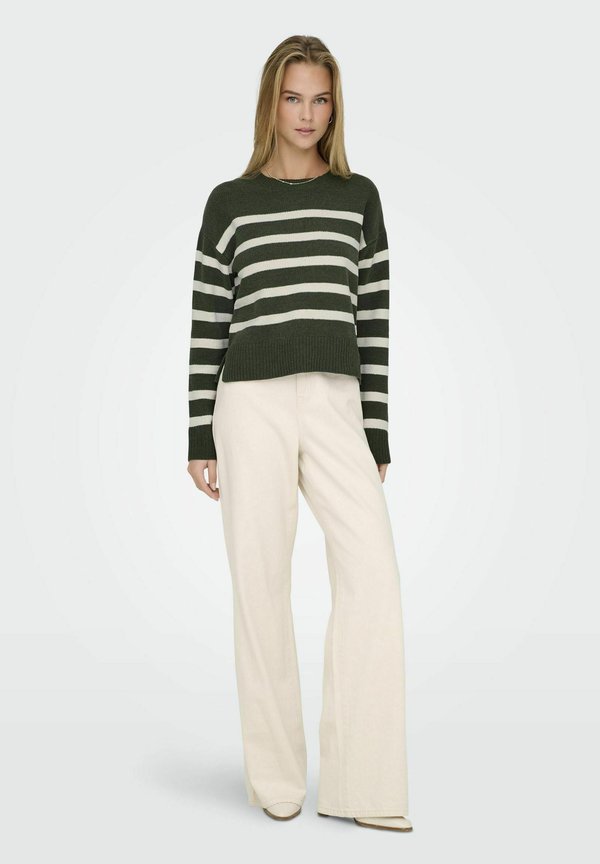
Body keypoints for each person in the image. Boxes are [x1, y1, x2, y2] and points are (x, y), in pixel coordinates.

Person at [186, 34, 412, 833]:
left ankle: (364, 788)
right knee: (261, 586)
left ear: (334, 106)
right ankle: (277, 778)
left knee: (374, 579)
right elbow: (208, 321)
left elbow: (373, 322)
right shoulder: (230, 202)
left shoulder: (359, 198)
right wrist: (199, 435)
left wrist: (375, 433)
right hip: (248, 404)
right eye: (293, 98)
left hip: (335, 403)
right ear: (271, 104)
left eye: (320, 99)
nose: (307, 114)